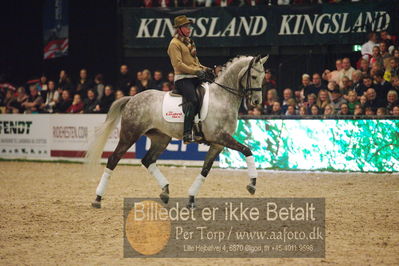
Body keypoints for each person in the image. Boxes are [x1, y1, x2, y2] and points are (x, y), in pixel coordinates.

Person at [167, 15, 211, 143]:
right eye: (186, 27)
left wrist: (205, 68)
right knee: (192, 100)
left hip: (194, 76)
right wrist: (196, 71)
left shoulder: (189, 41)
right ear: (179, 29)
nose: (189, 29)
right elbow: (178, 65)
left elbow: (195, 61)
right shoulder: (174, 44)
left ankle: (199, 127)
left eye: (189, 26)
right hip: (183, 79)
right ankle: (187, 133)